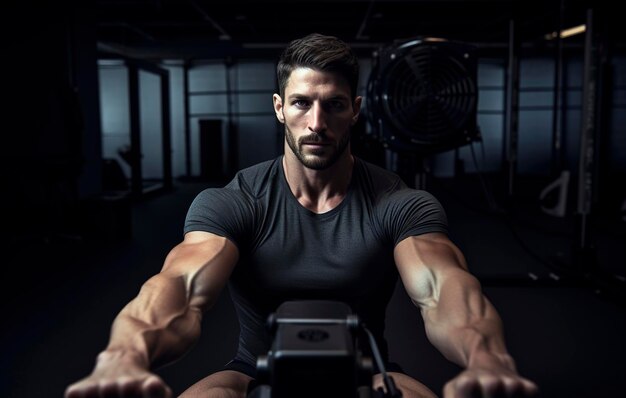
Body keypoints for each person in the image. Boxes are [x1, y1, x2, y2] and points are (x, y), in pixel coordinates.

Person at [65, 33, 538, 398]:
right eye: (301, 103)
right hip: (251, 371)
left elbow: (442, 290)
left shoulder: (401, 202)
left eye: (333, 105)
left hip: (367, 372)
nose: (317, 123)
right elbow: (181, 289)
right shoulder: (235, 201)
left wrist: (485, 358)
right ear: (279, 108)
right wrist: (124, 356)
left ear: (354, 111)